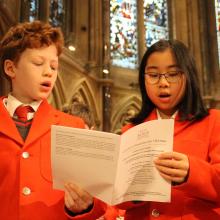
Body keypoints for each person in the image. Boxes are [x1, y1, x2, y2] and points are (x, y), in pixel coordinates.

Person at [67, 39, 220, 220]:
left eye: (172, 74)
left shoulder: (213, 122)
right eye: (153, 75)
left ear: (188, 76)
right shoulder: (130, 131)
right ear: (143, 79)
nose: (163, 83)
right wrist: (87, 204)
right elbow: (116, 200)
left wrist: (190, 173)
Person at [0, 20, 105, 220]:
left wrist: (84, 207)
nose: (49, 71)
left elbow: (97, 202)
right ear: (11, 69)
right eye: (38, 63)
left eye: (54, 66)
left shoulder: (72, 126)